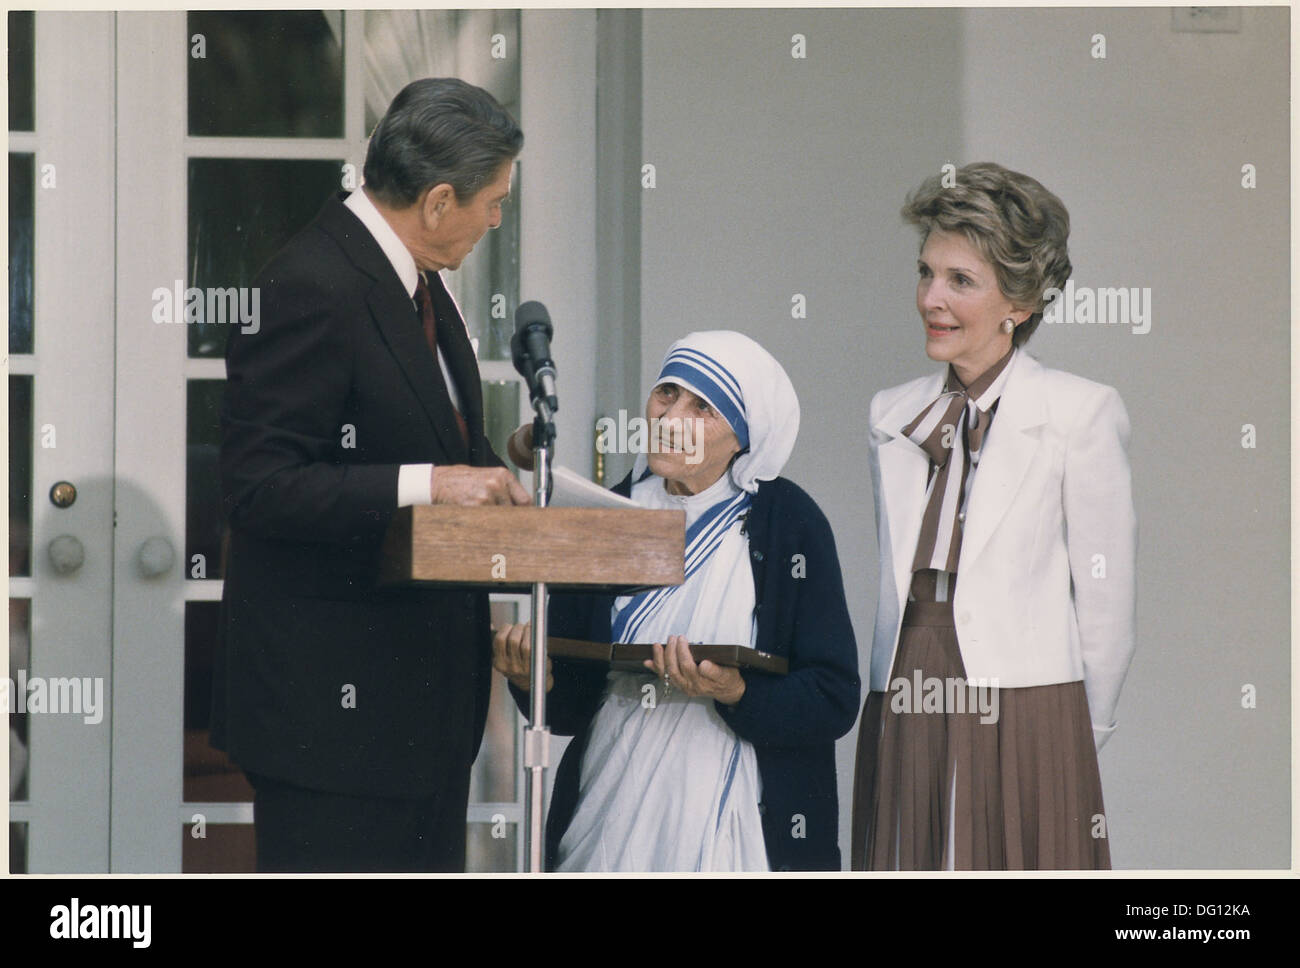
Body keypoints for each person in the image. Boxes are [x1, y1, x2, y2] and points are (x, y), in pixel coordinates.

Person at [212, 77, 531, 873]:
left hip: (422, 719)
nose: (497, 220)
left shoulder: (422, 285)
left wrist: (500, 466)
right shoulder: (311, 285)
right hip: (333, 728)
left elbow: (440, 444)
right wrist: (432, 482)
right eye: (493, 202)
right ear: (437, 201)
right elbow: (260, 485)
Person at [851, 162, 1137, 870]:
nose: (931, 299)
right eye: (926, 273)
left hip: (1031, 697)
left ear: (1019, 302)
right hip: (905, 683)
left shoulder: (1081, 412)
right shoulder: (890, 414)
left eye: (960, 281)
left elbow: (1107, 606)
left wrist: (1072, 729)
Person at [495, 331, 860, 871]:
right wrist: (532, 678)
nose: (671, 418)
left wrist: (738, 692)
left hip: (744, 819)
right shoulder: (603, 514)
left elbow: (832, 696)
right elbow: (570, 705)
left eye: (703, 407)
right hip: (612, 805)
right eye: (667, 393)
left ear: (743, 435)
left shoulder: (792, 525)